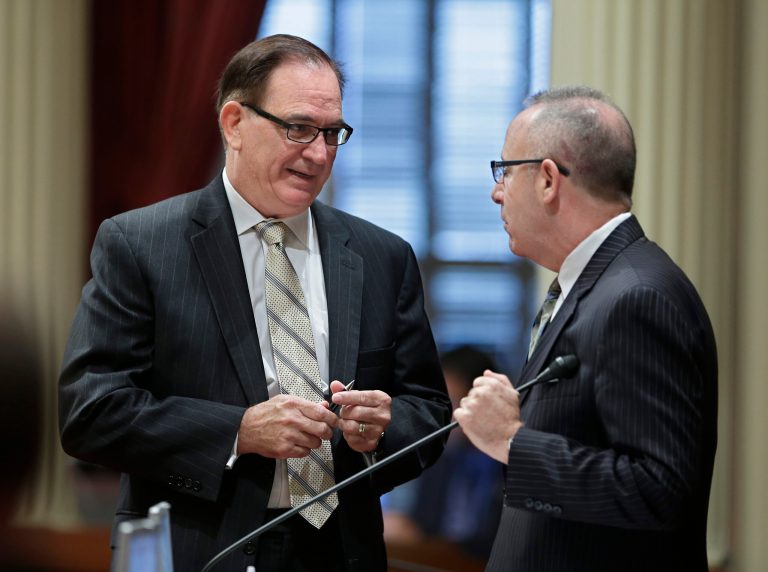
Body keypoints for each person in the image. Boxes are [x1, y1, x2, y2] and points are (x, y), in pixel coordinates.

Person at [59, 34, 451, 572]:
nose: (318, 153)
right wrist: (238, 432)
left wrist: (382, 428)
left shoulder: (382, 256)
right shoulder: (141, 244)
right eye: (298, 128)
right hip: (200, 548)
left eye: (332, 133)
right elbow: (91, 411)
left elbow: (428, 412)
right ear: (234, 123)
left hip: (341, 553)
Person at [453, 86, 717, 572]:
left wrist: (512, 440)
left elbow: (658, 489)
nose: (496, 192)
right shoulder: (596, 286)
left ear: (548, 179)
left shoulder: (637, 296)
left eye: (505, 171)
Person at [383, 346, 503, 561]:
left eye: (452, 402)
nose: (442, 416)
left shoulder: (504, 466)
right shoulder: (434, 456)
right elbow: (413, 525)